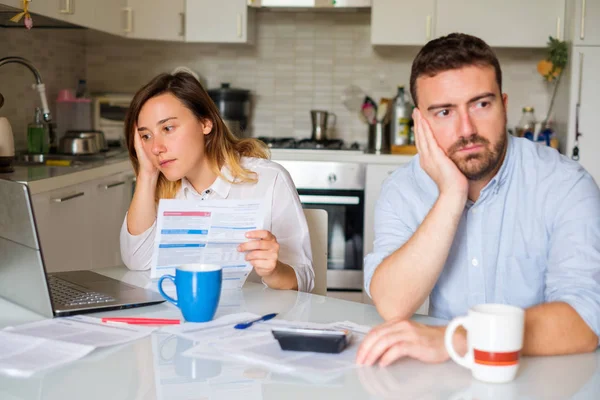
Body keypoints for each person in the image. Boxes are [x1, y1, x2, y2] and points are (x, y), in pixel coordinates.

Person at [357, 33, 600, 366]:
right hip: (443, 379)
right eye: (444, 112)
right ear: (420, 124)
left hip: (543, 375)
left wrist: (458, 339)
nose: (467, 129)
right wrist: (451, 194)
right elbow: (392, 304)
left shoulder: (565, 184)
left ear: (504, 104)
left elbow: (585, 320)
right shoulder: (402, 188)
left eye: (481, 104)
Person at [120, 72, 314, 292]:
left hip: (252, 319)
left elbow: (303, 280)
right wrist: (147, 175)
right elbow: (137, 261)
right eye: (146, 136)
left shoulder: (269, 180)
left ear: (205, 123)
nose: (156, 148)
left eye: (167, 128)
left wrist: (273, 270)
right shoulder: (161, 187)